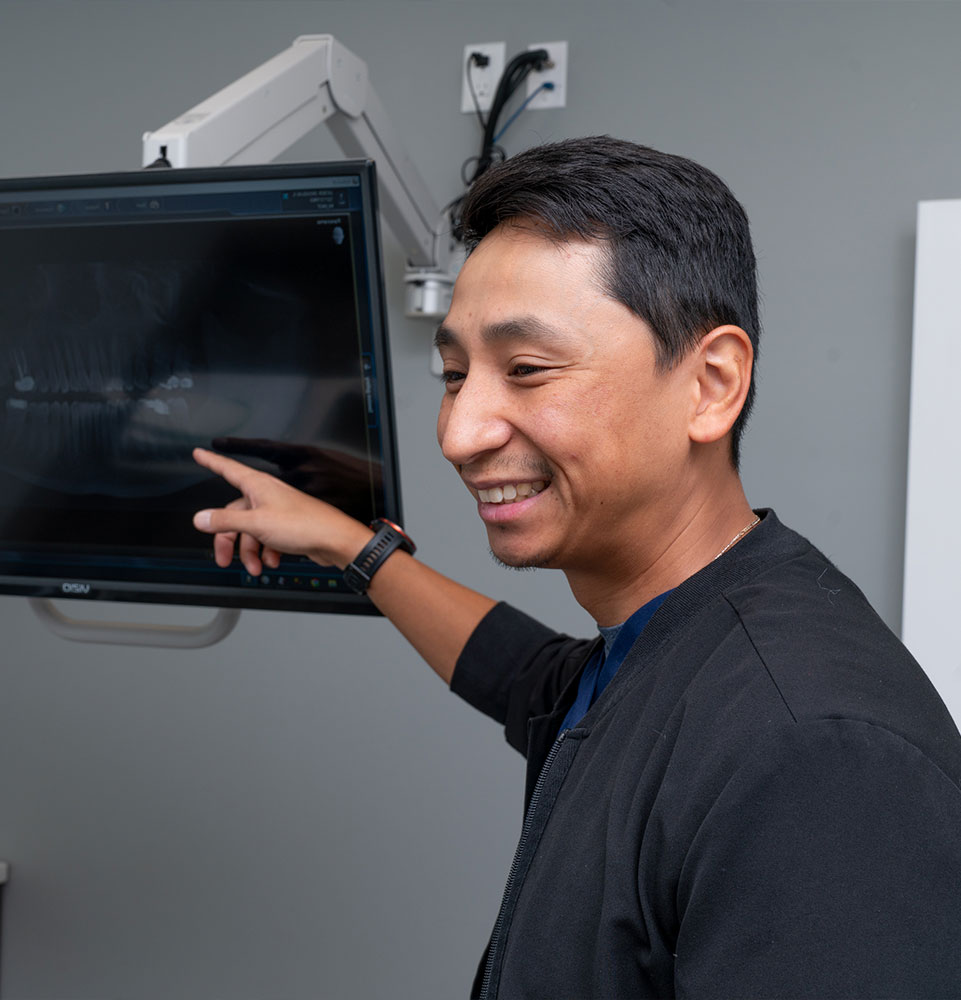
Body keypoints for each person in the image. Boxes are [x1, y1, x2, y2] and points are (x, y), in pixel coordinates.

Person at [191, 137, 961, 999]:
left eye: (526, 370)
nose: (458, 434)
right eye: (454, 374)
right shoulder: (668, 644)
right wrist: (350, 545)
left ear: (710, 383)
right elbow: (528, 678)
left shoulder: (813, 756)